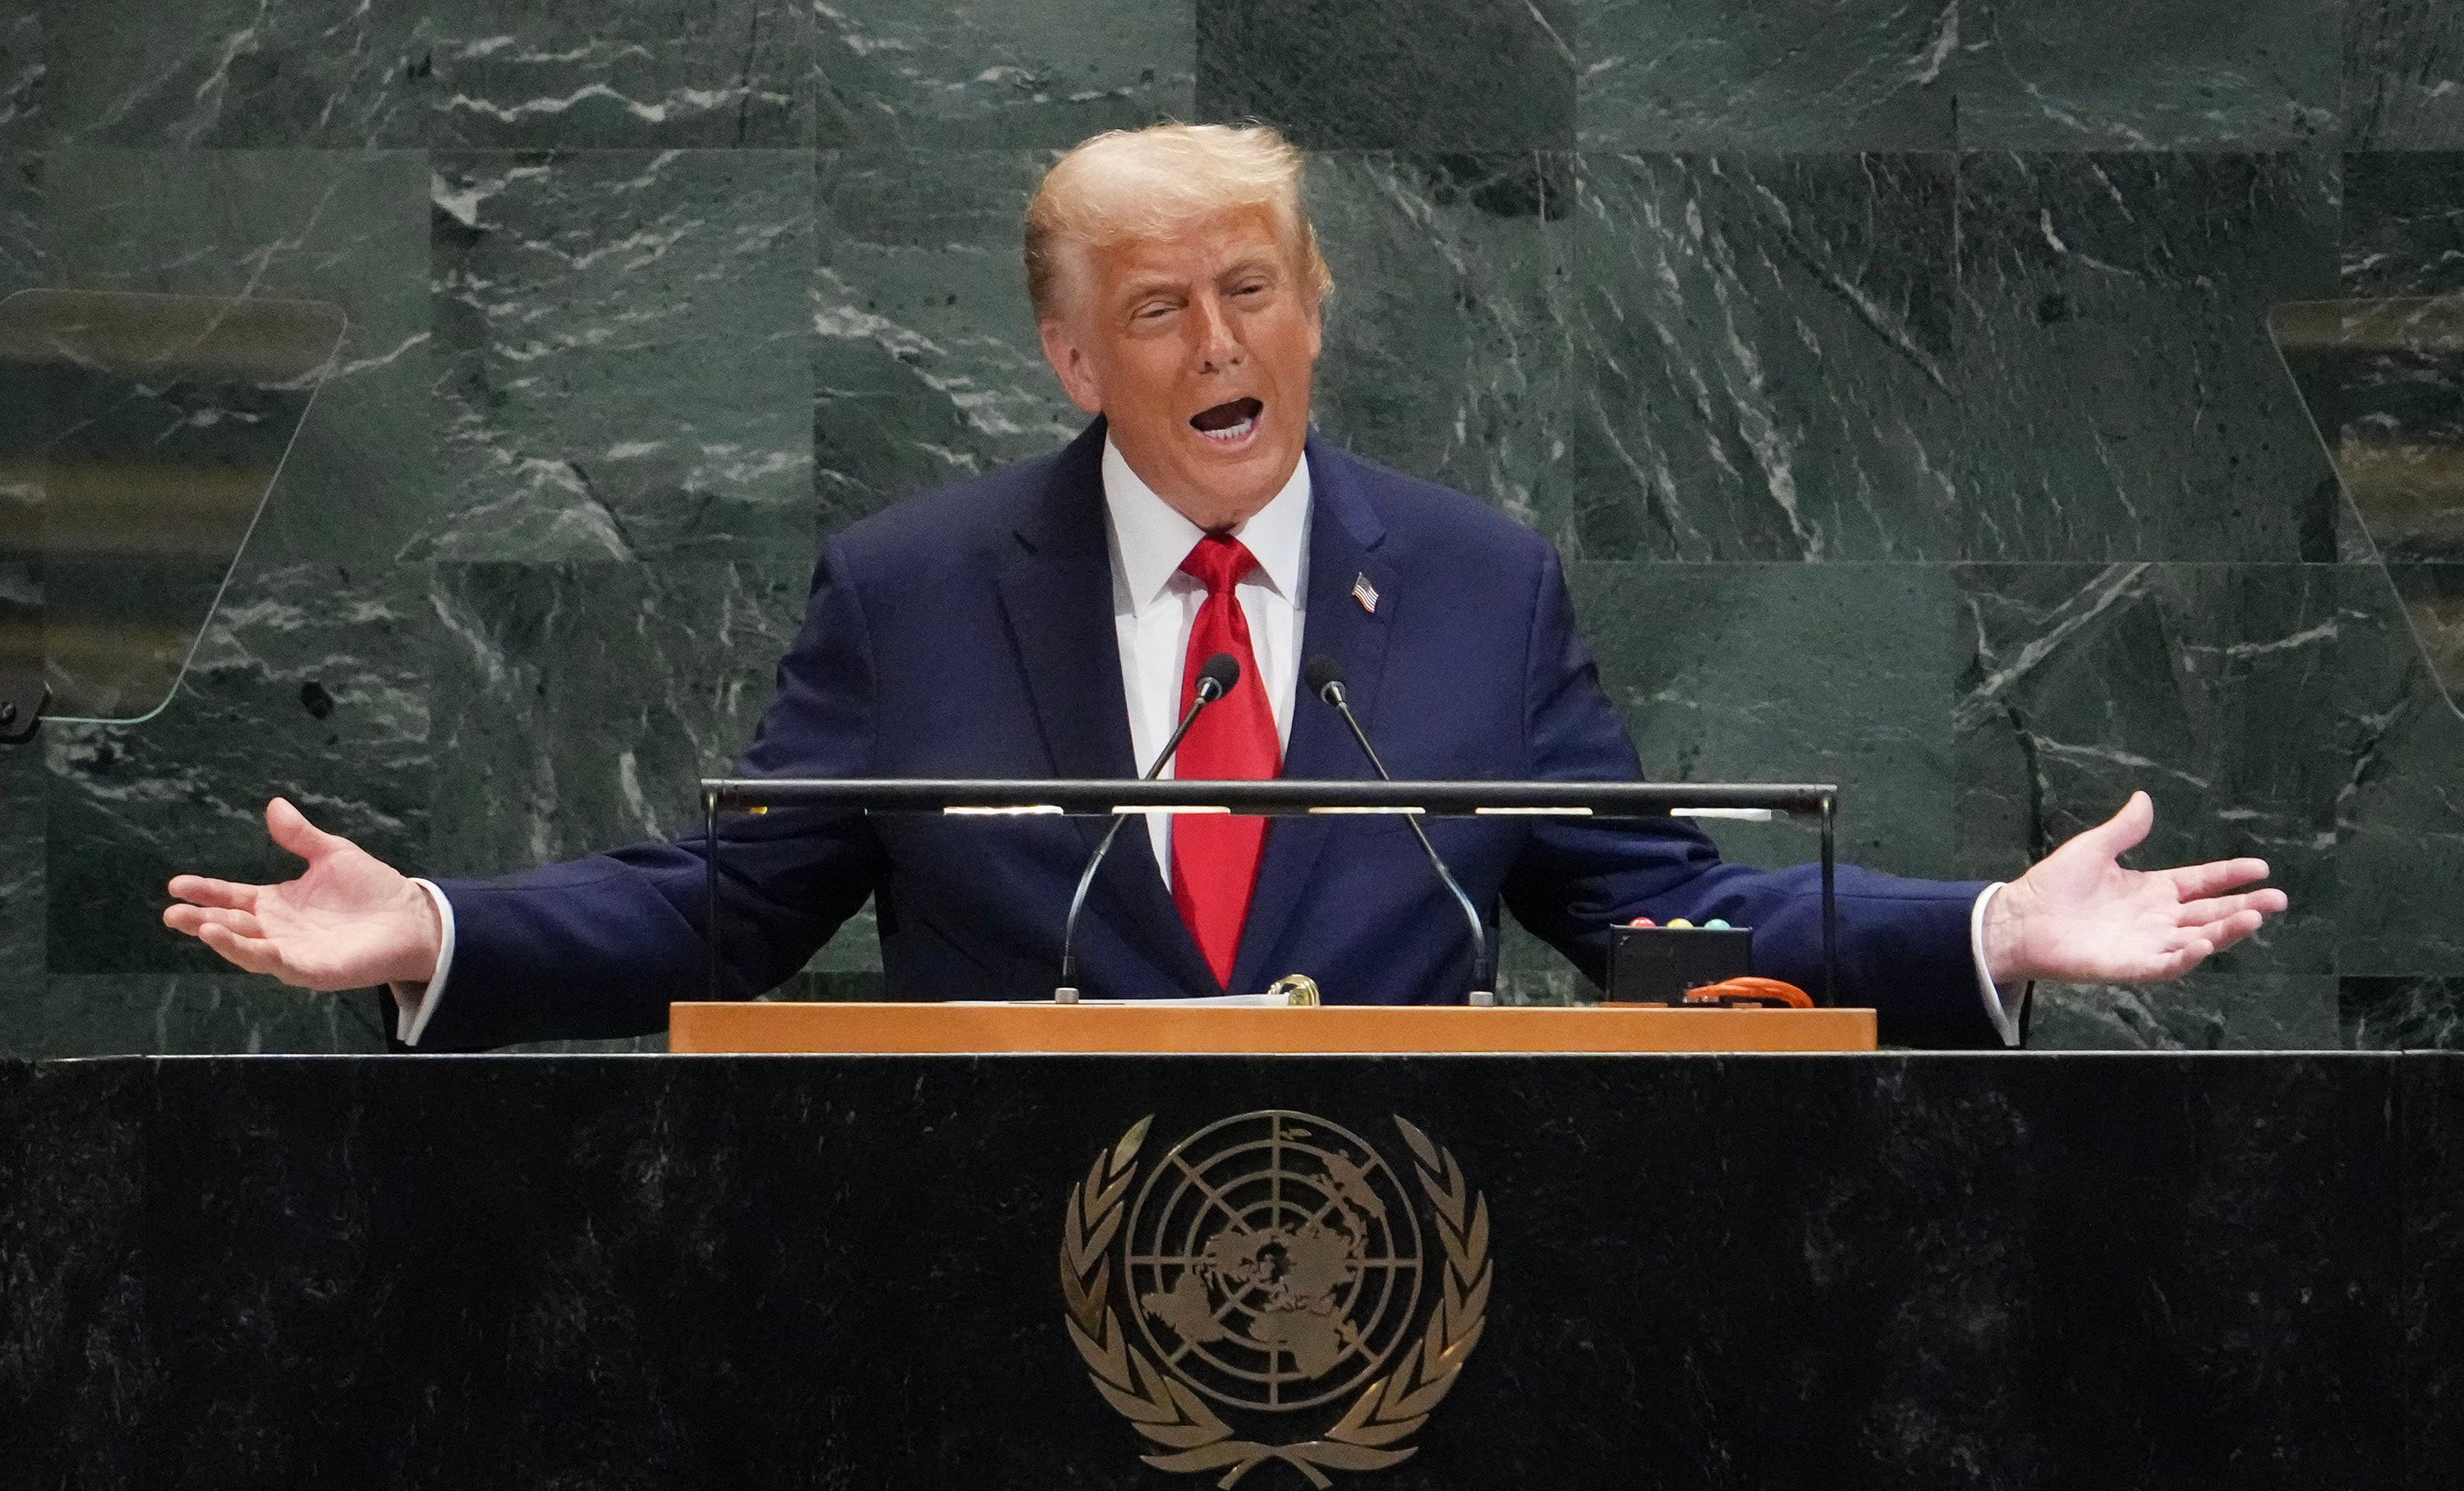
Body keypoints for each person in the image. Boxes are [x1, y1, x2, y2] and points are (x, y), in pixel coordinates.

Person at [161, 123, 2286, 1049]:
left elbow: (1660, 921)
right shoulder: (916, 594)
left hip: (1403, 1297)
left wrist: (1990, 930)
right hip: (978, 1295)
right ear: (1072, 361)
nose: (1215, 351)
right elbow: (726, 909)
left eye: (1250, 293)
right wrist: (432, 930)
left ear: (1315, 312)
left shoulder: (1472, 585)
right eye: (1158, 312)